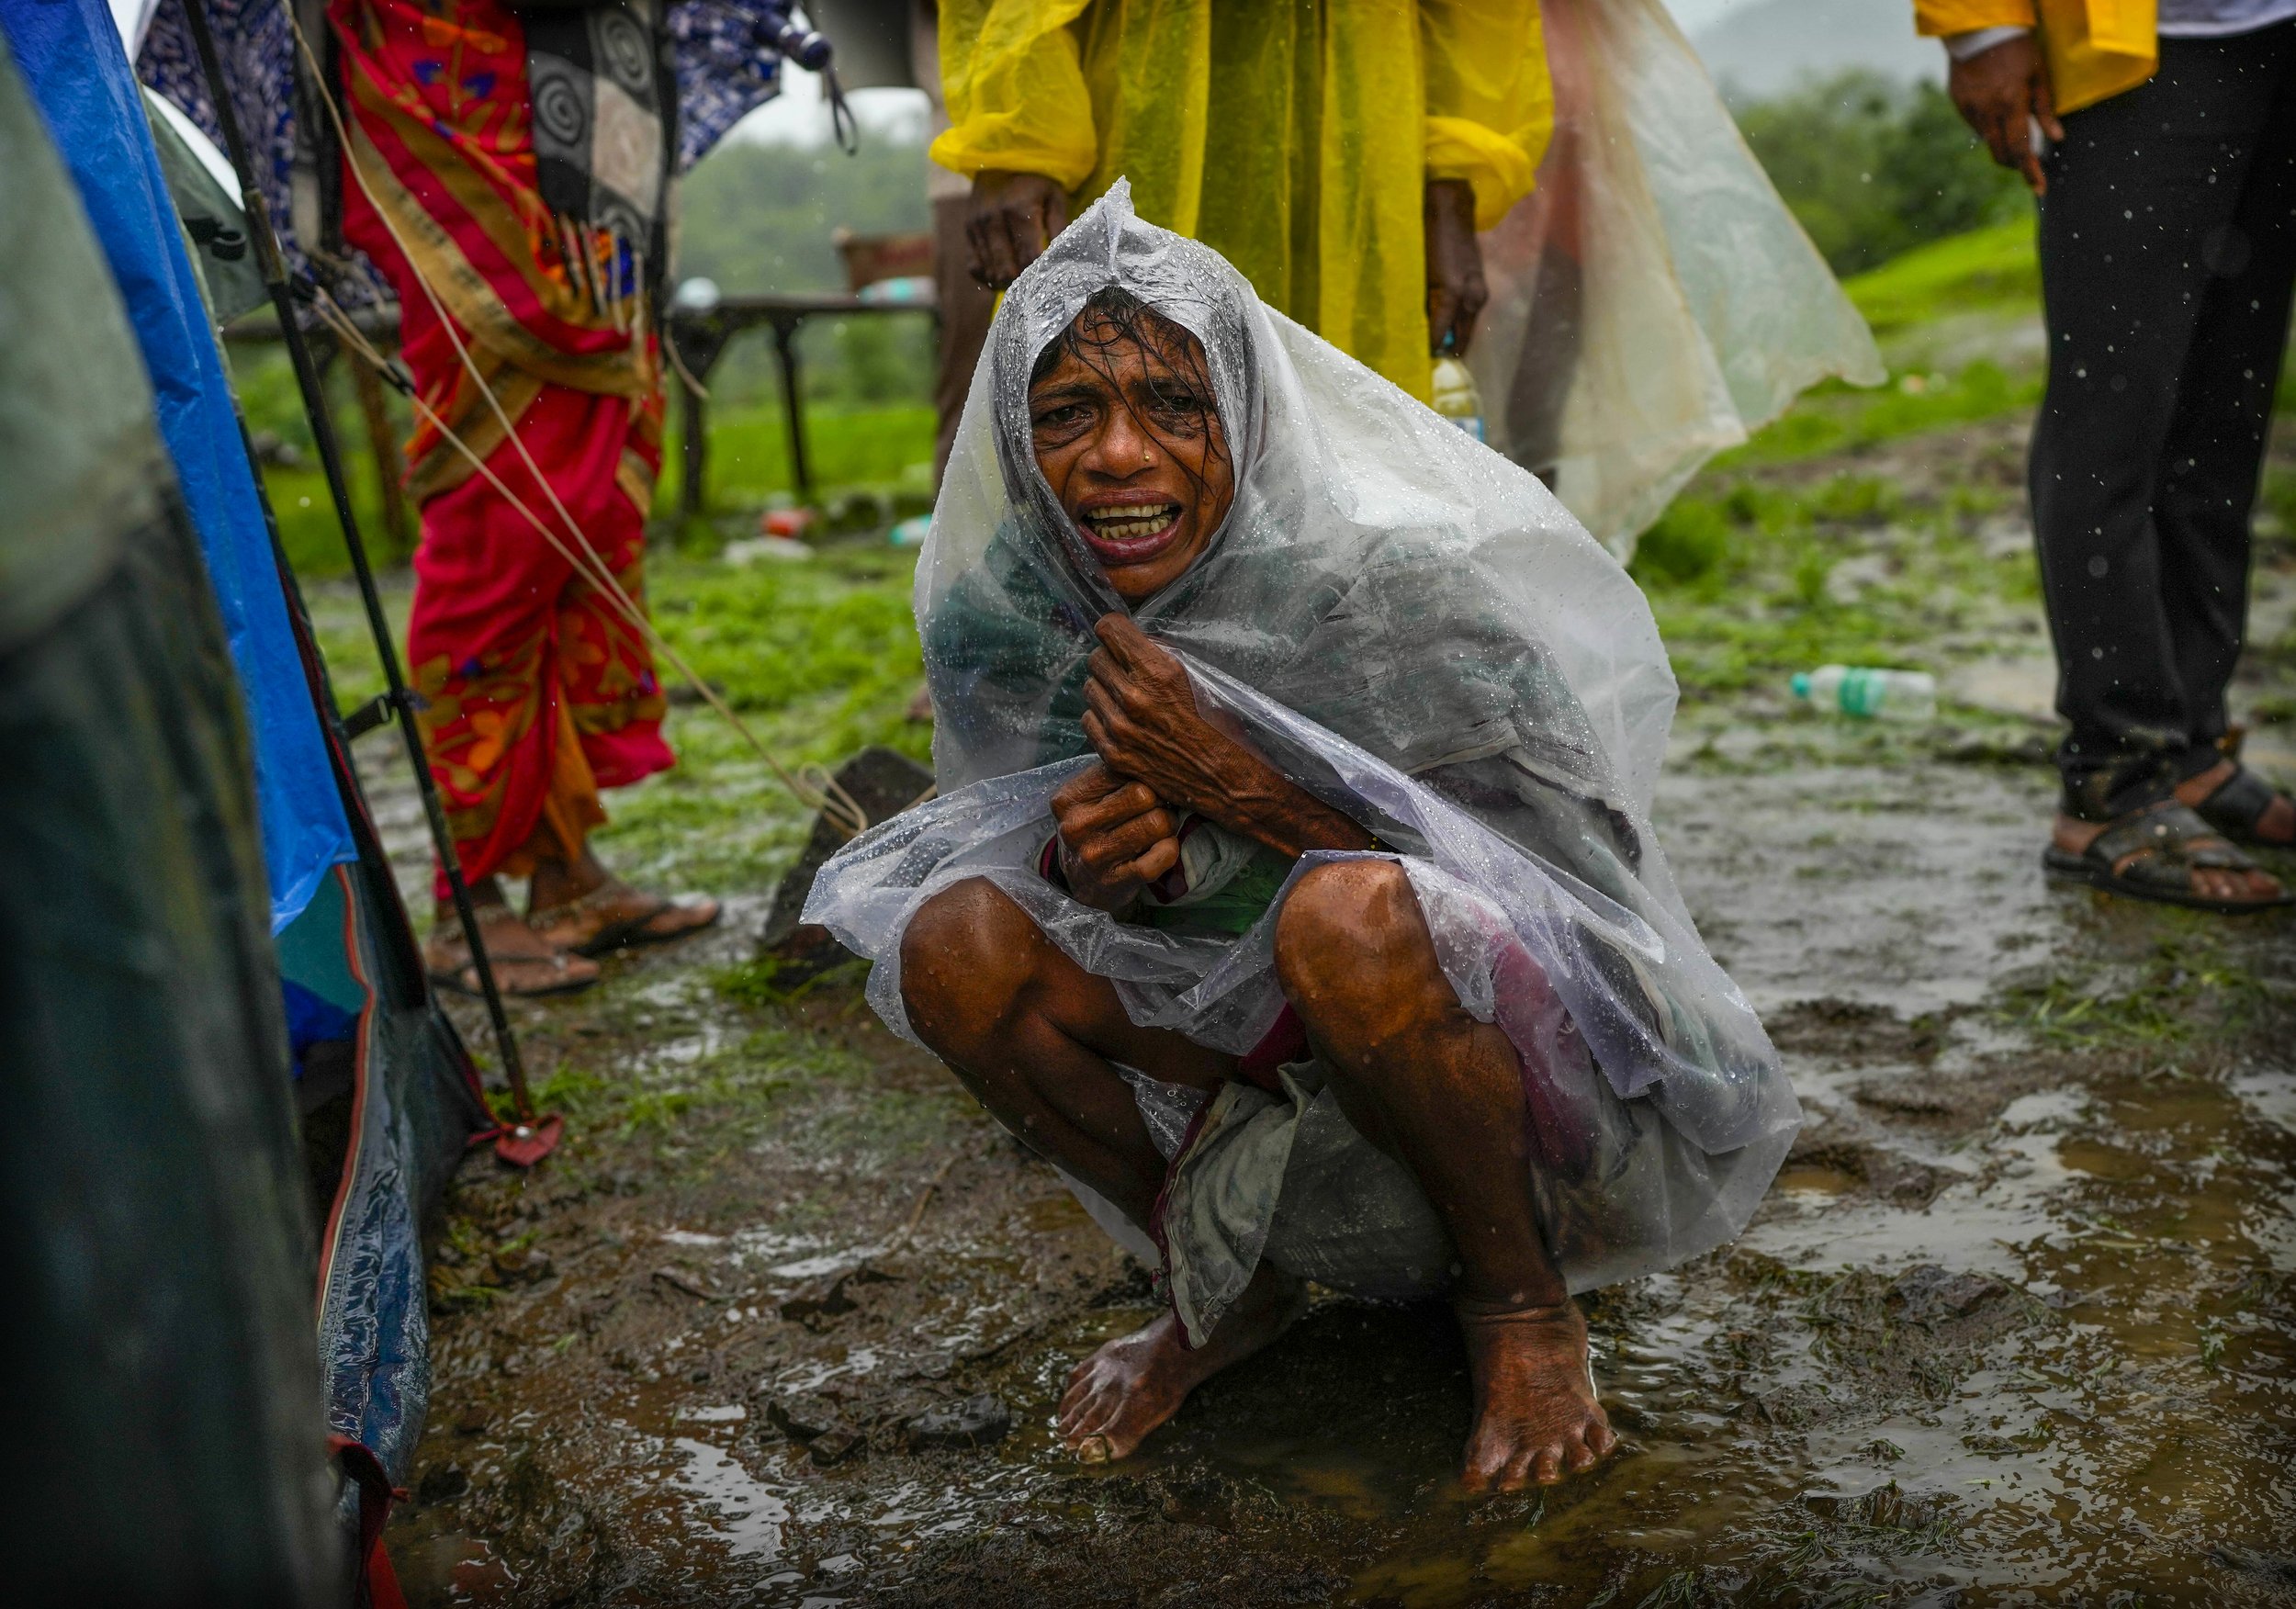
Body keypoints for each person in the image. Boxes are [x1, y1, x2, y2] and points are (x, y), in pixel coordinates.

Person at [804, 189, 1801, 1491]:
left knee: (1351, 913)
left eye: (1174, 404)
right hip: (1266, 1076)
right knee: (954, 941)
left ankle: (1520, 1306)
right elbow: (1041, 855)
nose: (1117, 456)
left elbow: (1580, 911)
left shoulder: (1391, 593)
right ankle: (1226, 1287)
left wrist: (1240, 786)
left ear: (1250, 415)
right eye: (1065, 415)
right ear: (1012, 434)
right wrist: (1088, 868)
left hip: (1530, 1105)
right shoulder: (1016, 618)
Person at [329, 0, 721, 992]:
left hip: (581, 120)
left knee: (588, 517)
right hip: (458, 109)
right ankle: (468, 905)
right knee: (503, 519)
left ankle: (565, 878)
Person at [1917, 0, 2296, 910]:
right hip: (2135, 51)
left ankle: (2191, 742)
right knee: (2112, 425)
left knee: (2222, 419)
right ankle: (2113, 779)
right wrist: (1977, 29)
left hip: (2277, 40)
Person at [930, 0, 1551, 400]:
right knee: (1124, 406)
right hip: (1139, 88)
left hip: (1363, 109)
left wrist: (1453, 179)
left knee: (1343, 456)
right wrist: (1020, 126)